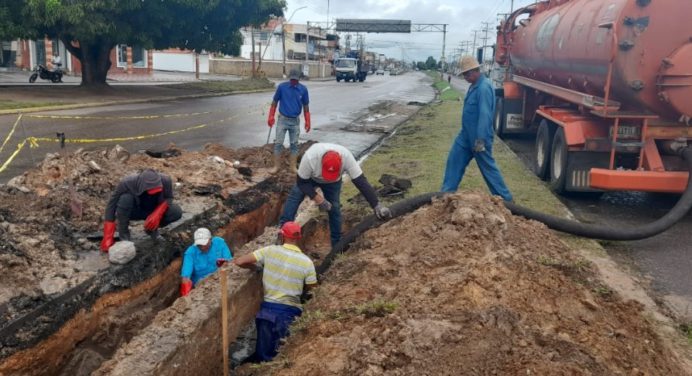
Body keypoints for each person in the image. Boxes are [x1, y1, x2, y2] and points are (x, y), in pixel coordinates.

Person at [232, 221, 316, 362]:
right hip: (290, 313)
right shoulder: (307, 262)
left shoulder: (270, 251)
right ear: (299, 238)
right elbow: (312, 289)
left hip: (268, 312)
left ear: (282, 236)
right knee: (282, 356)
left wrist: (257, 268)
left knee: (263, 354)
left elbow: (240, 261)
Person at [279, 142, 391, 247]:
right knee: (294, 197)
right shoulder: (310, 157)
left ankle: (336, 244)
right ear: (321, 162)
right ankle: (283, 233)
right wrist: (319, 199)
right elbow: (302, 183)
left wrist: (376, 205)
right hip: (309, 179)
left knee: (335, 208)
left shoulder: (347, 158)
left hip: (333, 183)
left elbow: (361, 182)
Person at [440, 56, 513, 201]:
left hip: (479, 139)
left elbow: (485, 115)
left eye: (467, 74)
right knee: (454, 160)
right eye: (464, 74)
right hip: (465, 137)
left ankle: (506, 200)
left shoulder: (484, 88)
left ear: (475, 71)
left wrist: (480, 140)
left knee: (489, 170)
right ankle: (445, 196)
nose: (465, 77)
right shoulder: (473, 86)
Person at [100, 169, 183, 251]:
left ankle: (152, 230)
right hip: (134, 210)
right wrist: (108, 236)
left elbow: (169, 198)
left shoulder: (165, 180)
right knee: (125, 199)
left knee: (176, 211)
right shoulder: (127, 183)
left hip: (152, 209)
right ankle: (125, 238)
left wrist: (158, 213)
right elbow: (112, 204)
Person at [266, 68, 311, 172]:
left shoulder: (303, 90)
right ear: (289, 78)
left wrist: (308, 120)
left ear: (299, 79)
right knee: (278, 143)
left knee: (294, 145)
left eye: (295, 80)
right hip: (282, 119)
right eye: (292, 79)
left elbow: (306, 106)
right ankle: (276, 167)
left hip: (295, 121)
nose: (293, 81)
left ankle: (293, 167)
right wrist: (271, 115)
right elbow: (274, 101)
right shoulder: (282, 87)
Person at [179, 228, 233, 296]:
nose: (202, 247)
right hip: (201, 286)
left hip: (220, 276)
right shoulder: (190, 253)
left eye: (204, 244)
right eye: (199, 245)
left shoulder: (219, 242)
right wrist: (186, 296)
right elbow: (186, 278)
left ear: (210, 239)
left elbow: (229, 261)